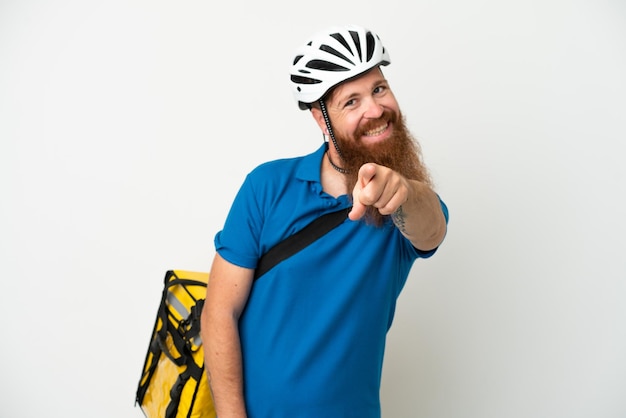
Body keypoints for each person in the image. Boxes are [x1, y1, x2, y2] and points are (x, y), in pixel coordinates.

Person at [200, 24, 449, 418]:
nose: (375, 109)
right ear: (321, 119)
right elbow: (219, 311)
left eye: (379, 89)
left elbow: (432, 228)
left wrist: (398, 191)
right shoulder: (267, 187)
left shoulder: (407, 203)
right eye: (352, 101)